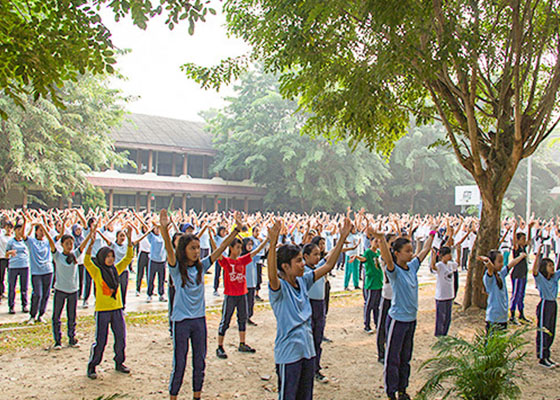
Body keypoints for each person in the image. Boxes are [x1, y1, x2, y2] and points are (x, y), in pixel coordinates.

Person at [160, 209, 244, 400]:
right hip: (181, 322)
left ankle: (197, 396)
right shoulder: (176, 269)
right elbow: (167, 247)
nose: (197, 251)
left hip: (199, 321)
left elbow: (221, 248)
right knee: (179, 363)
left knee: (200, 362)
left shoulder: (202, 266)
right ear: (183, 250)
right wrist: (164, 229)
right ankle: (173, 396)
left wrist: (235, 231)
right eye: (192, 248)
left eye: (198, 248)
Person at [267, 217, 351, 400]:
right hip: (289, 354)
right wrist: (273, 242)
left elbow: (328, 265)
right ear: (285, 266)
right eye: (298, 261)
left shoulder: (303, 281)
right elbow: (272, 274)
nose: (303, 264)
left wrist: (342, 237)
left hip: (307, 350)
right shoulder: (279, 289)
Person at [372, 224, 436, 400]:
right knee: (393, 357)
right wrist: (381, 238)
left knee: (406, 356)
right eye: (407, 251)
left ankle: (403, 389)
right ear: (397, 253)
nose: (411, 253)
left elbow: (426, 249)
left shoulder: (413, 266)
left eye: (411, 250)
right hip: (397, 320)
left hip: (411, 320)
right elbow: (386, 256)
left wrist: (432, 232)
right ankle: (391, 392)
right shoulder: (394, 271)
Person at [84, 222, 134, 380]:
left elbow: (128, 258)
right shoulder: (97, 271)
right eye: (108, 256)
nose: (111, 259)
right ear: (102, 257)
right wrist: (91, 244)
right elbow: (86, 261)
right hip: (103, 310)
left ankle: (119, 362)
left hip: (117, 308)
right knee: (101, 340)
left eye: (112, 256)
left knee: (120, 337)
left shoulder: (116, 270)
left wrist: (130, 239)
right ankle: (93, 365)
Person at [216, 234, 268, 359]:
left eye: (240, 248)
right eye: (237, 247)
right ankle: (220, 345)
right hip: (230, 295)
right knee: (226, 320)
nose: (239, 250)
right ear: (231, 248)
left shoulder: (242, 260)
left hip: (242, 294)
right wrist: (214, 239)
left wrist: (267, 240)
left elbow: (255, 252)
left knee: (242, 318)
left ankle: (242, 343)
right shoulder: (227, 261)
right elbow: (217, 252)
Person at [43, 224, 92, 349]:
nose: (69, 246)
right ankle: (58, 340)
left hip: (73, 290)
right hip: (60, 290)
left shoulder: (75, 255)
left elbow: (84, 245)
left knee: (72, 315)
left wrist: (91, 232)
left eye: (71, 243)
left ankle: (71, 338)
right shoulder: (58, 255)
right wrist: (43, 228)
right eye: (67, 243)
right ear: (62, 244)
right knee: (56, 316)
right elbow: (50, 241)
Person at [478, 249, 527, 333]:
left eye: (502, 261)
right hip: (493, 318)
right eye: (499, 262)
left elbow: (511, 264)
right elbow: (490, 268)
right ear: (493, 263)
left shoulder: (501, 274)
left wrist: (521, 256)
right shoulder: (489, 278)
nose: (502, 264)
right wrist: (487, 261)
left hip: (503, 317)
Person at [531, 245, 560, 368]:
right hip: (545, 304)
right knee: (544, 330)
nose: (552, 268)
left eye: (553, 265)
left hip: (553, 303)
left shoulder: (554, 278)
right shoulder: (541, 279)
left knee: (551, 330)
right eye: (549, 266)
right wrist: (538, 254)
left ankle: (547, 355)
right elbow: (534, 271)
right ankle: (542, 357)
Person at [25, 218, 55, 324]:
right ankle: (32, 315)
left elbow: (54, 238)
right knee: (37, 294)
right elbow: (25, 237)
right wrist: (31, 224)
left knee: (46, 295)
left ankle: (41, 314)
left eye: (43, 230)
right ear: (36, 231)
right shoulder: (32, 242)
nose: (42, 232)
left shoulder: (47, 242)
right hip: (36, 272)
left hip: (48, 271)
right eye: (40, 230)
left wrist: (44, 226)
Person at [355, 236, 383, 333]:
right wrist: (356, 257)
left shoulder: (378, 253)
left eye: (378, 242)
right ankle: (366, 325)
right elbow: (363, 259)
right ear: (370, 242)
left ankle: (377, 323)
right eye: (375, 241)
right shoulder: (368, 252)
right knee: (369, 305)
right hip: (371, 283)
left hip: (379, 281)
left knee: (377, 305)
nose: (377, 243)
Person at [510, 218, 534, 324]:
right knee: (515, 294)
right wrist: (514, 229)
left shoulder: (524, 248)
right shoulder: (516, 248)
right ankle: (512, 314)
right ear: (518, 240)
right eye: (522, 239)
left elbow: (529, 241)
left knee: (521, 294)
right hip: (517, 274)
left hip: (523, 274)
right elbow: (514, 240)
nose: (524, 241)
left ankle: (521, 313)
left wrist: (529, 228)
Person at [430, 246, 458, 336]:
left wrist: (459, 250)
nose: (449, 256)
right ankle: (439, 334)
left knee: (448, 318)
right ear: (442, 256)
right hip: (441, 296)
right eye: (447, 254)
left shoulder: (450, 264)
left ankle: (445, 333)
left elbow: (458, 264)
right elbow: (433, 266)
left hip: (449, 295)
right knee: (441, 317)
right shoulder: (440, 265)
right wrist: (433, 256)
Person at [6, 219, 30, 314]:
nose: (19, 232)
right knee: (12, 287)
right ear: (15, 230)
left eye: (21, 230)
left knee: (24, 287)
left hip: (24, 265)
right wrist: (10, 252)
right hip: (13, 266)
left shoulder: (25, 241)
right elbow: (6, 254)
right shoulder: (11, 241)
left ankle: (24, 305)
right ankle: (11, 306)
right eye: (18, 229)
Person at [0, 220, 14, 302]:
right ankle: (1, 292)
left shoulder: (13, 238)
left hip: (11, 259)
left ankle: (10, 293)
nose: (9, 229)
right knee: (1, 276)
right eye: (7, 227)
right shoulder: (1, 237)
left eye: (10, 228)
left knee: (11, 277)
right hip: (2, 258)